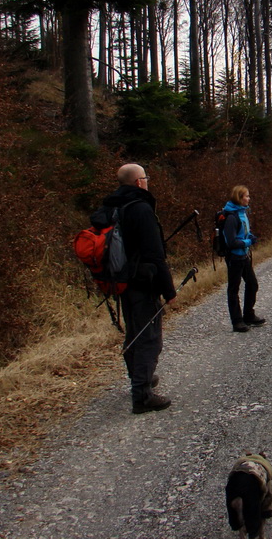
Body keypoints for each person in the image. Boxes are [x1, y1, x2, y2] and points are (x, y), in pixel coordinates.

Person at [101, 163, 176, 414]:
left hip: (121, 279)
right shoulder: (141, 208)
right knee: (149, 337)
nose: (147, 181)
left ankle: (138, 377)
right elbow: (155, 254)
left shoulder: (111, 205)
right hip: (143, 281)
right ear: (137, 182)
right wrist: (169, 290)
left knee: (135, 330)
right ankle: (142, 395)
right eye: (145, 177)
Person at [223, 185, 265, 332]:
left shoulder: (242, 213)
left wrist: (249, 237)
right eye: (246, 196)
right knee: (233, 289)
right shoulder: (231, 217)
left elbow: (243, 232)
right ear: (239, 198)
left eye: (248, 196)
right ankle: (237, 321)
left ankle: (248, 315)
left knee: (252, 284)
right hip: (234, 257)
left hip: (244, 255)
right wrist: (248, 242)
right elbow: (231, 242)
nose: (249, 198)